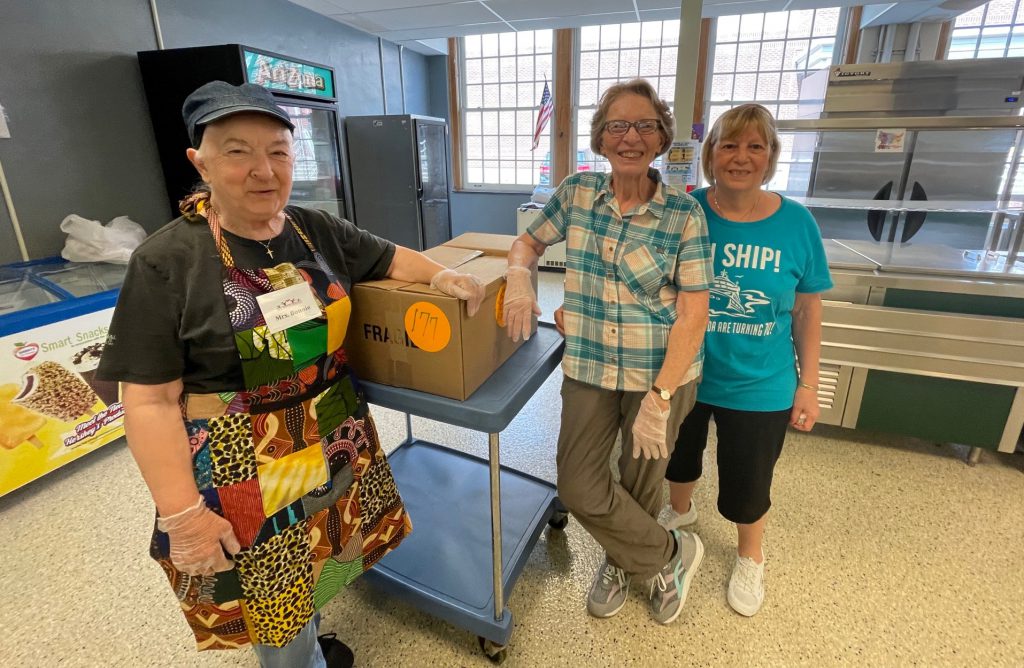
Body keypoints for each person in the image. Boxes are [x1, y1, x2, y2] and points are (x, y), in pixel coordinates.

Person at [96, 81, 485, 668]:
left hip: (331, 429)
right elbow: (148, 402)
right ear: (198, 162)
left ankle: (312, 635)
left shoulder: (312, 227)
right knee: (272, 607)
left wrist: (442, 277)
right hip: (243, 464)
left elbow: (389, 256)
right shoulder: (167, 261)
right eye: (237, 151)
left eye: (278, 151)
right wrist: (182, 514)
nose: (263, 170)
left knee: (321, 558)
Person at [503, 79, 712, 625]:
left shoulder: (684, 214)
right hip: (591, 366)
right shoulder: (576, 193)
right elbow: (527, 241)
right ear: (600, 137)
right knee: (577, 484)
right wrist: (520, 277)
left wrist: (662, 396)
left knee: (642, 480)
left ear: (662, 136)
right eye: (617, 125)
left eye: (645, 125)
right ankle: (670, 554)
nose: (630, 136)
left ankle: (623, 563)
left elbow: (694, 312)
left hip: (659, 372)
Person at [662, 103, 833, 618]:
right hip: (687, 371)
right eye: (729, 145)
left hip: (763, 381)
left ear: (770, 157)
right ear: (710, 154)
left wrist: (808, 384)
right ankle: (680, 512)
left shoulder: (796, 223)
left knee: (749, 477)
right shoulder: (687, 210)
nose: (741, 157)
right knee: (678, 454)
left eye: (755, 146)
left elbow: (806, 308)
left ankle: (750, 555)